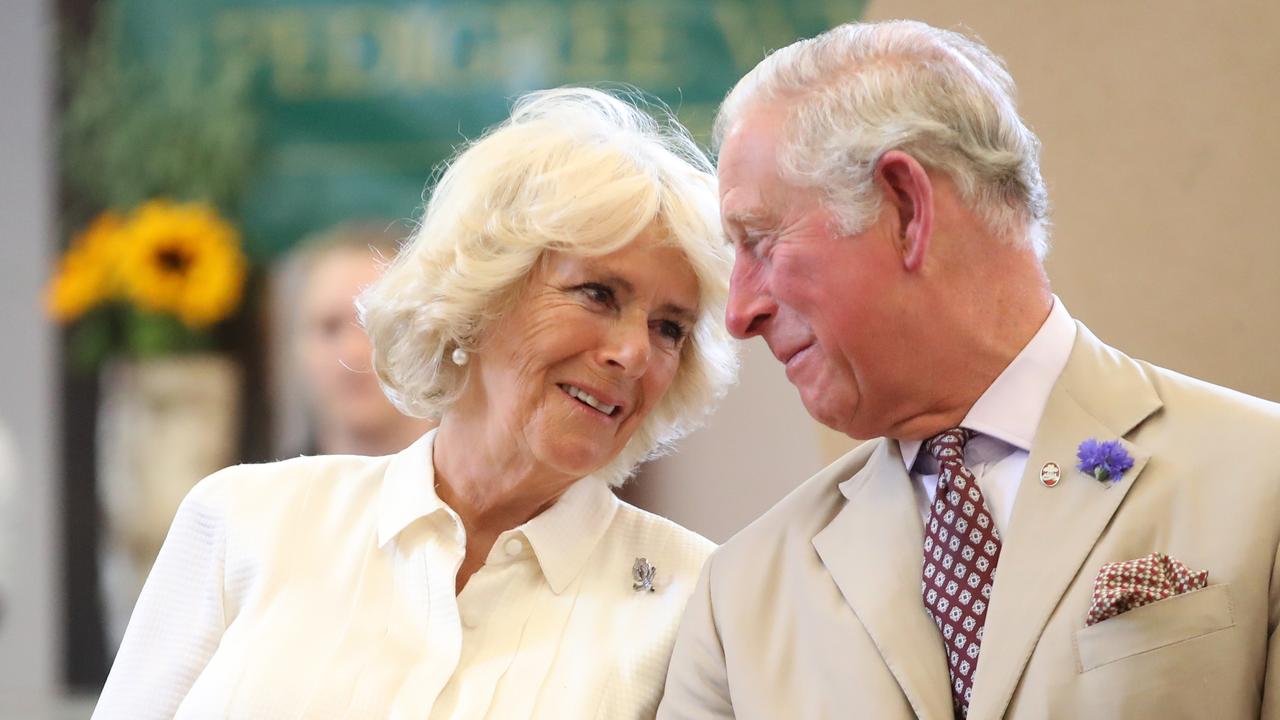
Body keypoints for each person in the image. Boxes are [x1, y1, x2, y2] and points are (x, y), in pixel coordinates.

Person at [659, 19, 1280, 720]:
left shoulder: (1263, 481)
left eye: (762, 243)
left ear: (906, 208)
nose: (739, 313)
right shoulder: (739, 599)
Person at [93, 87, 737, 719]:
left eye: (670, 328)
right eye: (598, 293)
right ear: (483, 296)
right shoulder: (247, 518)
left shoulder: (693, 598)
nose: (634, 353)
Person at [276, 222, 436, 457]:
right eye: (330, 327)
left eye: (378, 326)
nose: (353, 352)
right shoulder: (262, 491)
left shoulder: (487, 490)